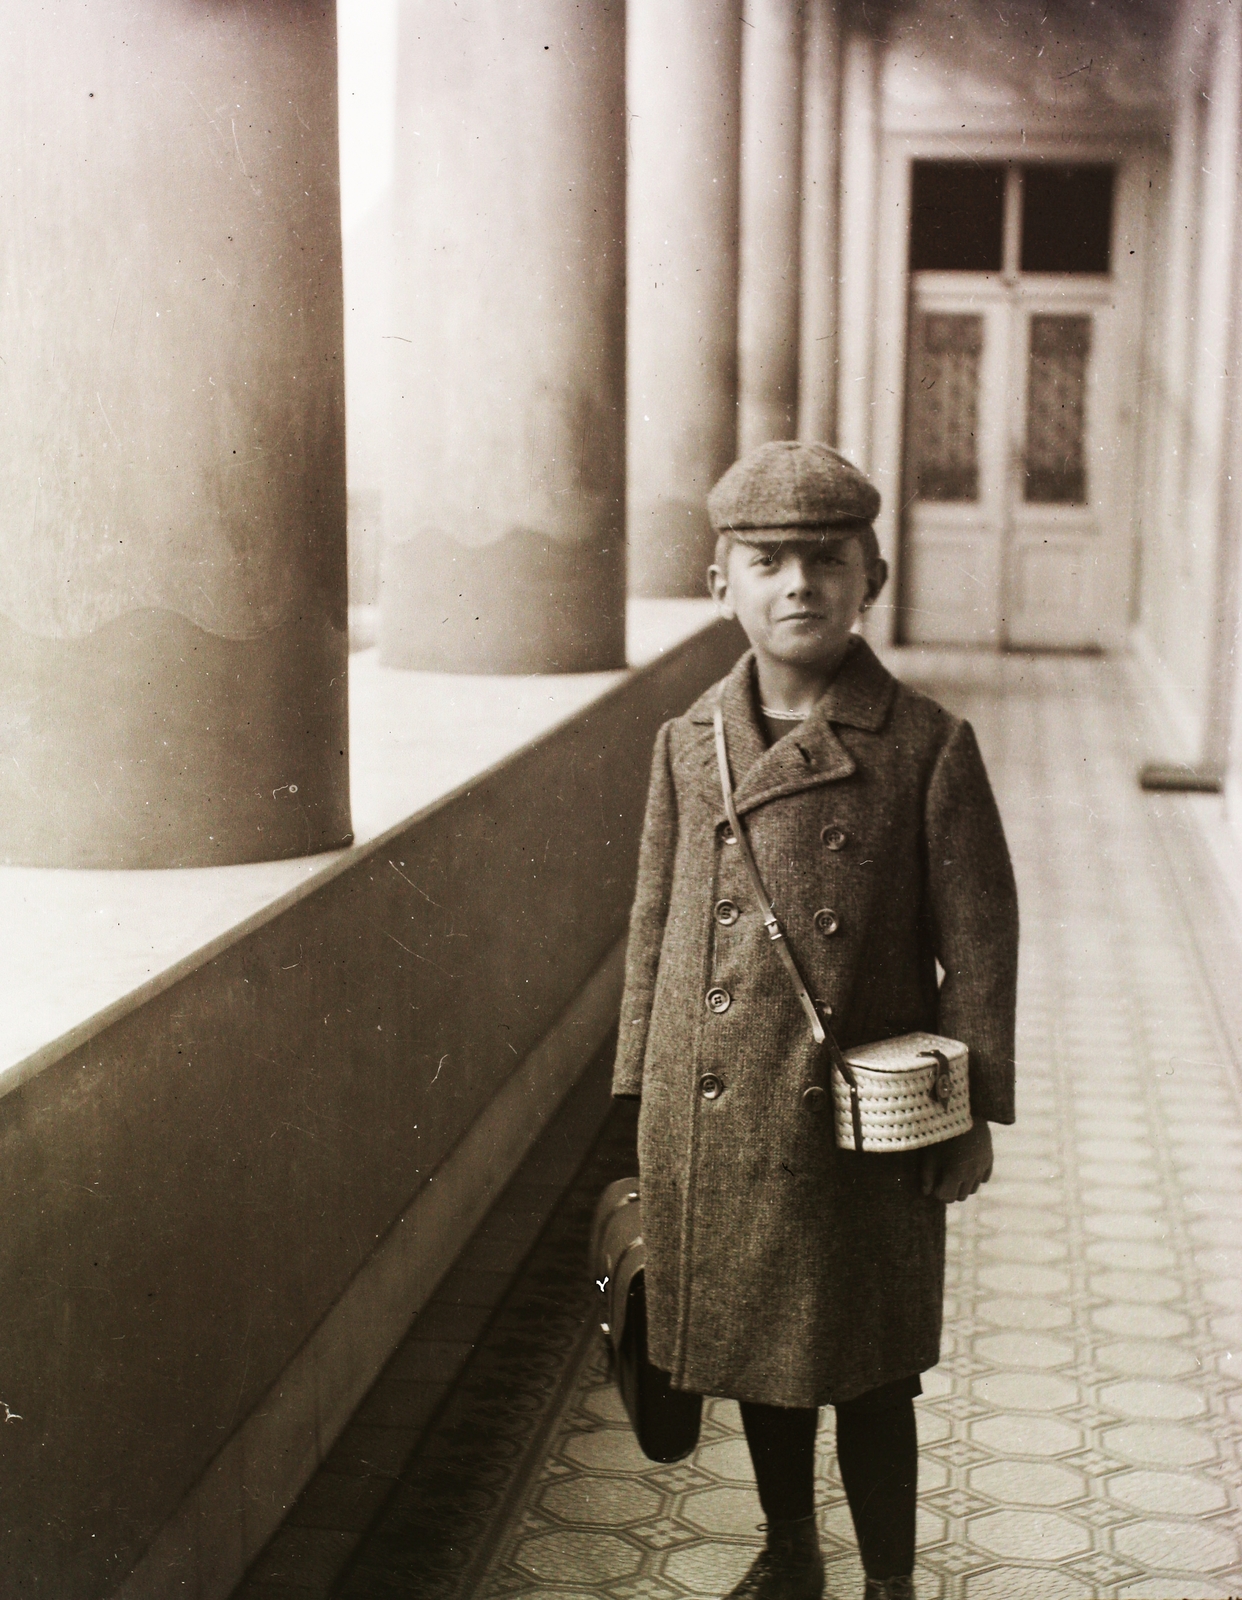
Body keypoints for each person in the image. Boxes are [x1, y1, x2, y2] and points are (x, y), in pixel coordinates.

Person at [612, 440, 1018, 1600]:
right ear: (719, 584)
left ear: (872, 577)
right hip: (718, 1113)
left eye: (827, 559)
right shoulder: (687, 743)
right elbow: (656, 925)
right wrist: (637, 1093)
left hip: (864, 1126)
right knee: (759, 1357)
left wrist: (972, 1114)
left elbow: (981, 944)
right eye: (769, 560)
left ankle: (889, 1583)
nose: (800, 584)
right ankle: (791, 1549)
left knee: (872, 1371)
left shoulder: (928, 746)